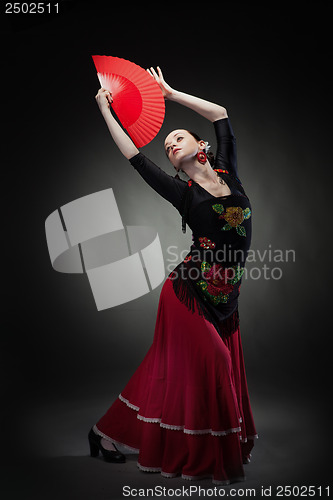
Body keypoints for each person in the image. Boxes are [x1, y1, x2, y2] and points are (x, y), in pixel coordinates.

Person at [88, 67, 257, 484]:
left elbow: (220, 113)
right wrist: (104, 110)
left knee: (164, 368)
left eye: (176, 137)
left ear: (201, 146)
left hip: (227, 298)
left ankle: (103, 433)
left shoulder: (228, 173)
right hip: (188, 293)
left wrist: (167, 92)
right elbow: (133, 155)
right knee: (213, 365)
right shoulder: (183, 194)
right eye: (166, 145)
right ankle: (205, 453)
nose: (169, 144)